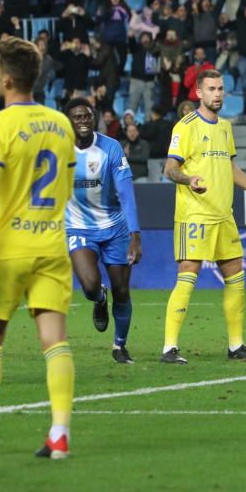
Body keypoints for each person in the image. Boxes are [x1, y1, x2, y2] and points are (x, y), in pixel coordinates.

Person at [161, 70, 246, 364]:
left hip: (224, 215)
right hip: (195, 215)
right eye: (212, 89)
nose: (218, 94)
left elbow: (231, 170)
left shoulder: (225, 127)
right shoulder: (186, 126)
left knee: (236, 275)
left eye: (221, 89)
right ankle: (169, 347)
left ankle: (236, 346)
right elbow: (169, 168)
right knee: (188, 275)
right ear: (199, 93)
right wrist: (188, 179)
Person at [0, 36, 77, 459]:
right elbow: (65, 186)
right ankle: (59, 432)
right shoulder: (61, 123)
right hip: (50, 244)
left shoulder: (1, 126)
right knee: (55, 340)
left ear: (7, 79)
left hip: (7, 247)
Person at [63, 98, 142, 364]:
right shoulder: (58, 149)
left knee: (121, 290)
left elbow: (126, 193)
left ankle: (120, 346)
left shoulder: (111, 147)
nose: (83, 121)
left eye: (87, 116)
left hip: (114, 228)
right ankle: (98, 299)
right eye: (77, 117)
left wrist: (135, 235)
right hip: (78, 227)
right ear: (68, 121)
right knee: (89, 284)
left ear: (94, 118)